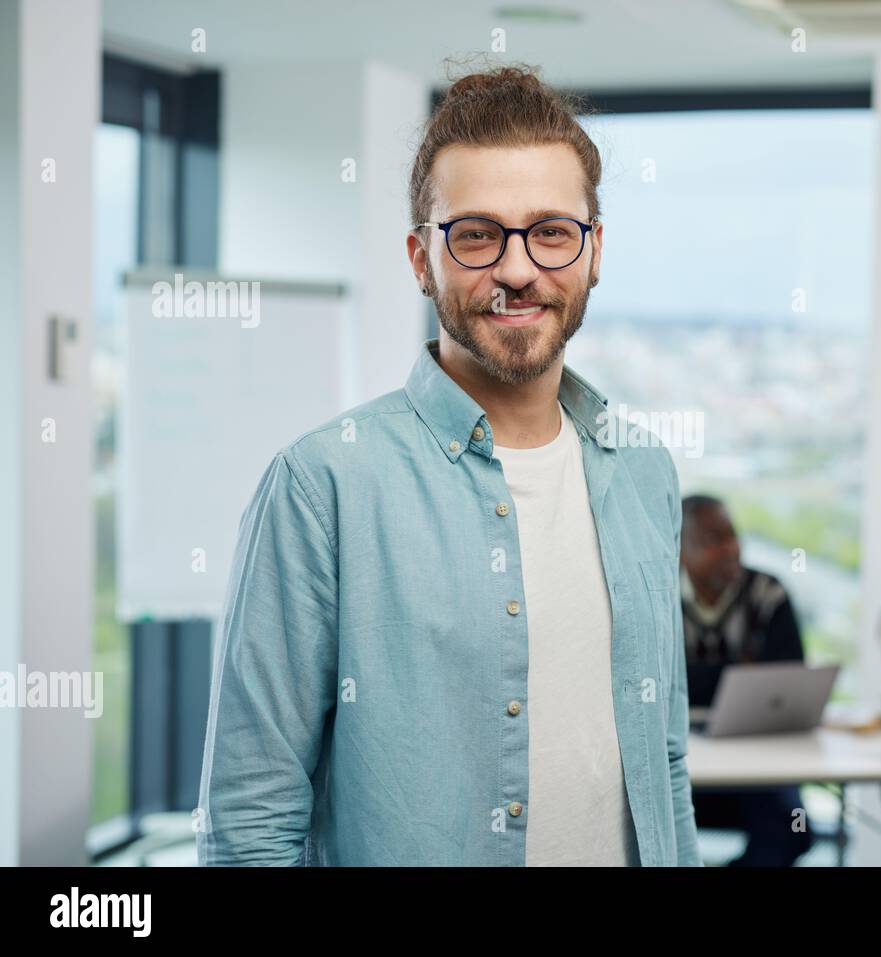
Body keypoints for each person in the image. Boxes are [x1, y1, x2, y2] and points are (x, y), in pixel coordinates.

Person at [197, 65, 701, 866]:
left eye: (551, 231)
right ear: (420, 258)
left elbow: (663, 762)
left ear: (594, 249)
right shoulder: (323, 485)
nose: (516, 269)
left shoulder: (644, 471)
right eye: (475, 233)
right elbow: (251, 815)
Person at [680, 495, 813, 866]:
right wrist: (739, 675)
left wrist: (698, 679)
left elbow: (788, 681)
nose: (730, 549)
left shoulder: (768, 593)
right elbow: (655, 681)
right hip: (684, 762)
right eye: (712, 540)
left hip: (756, 758)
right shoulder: (657, 597)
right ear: (677, 547)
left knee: (794, 830)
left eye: (733, 536)